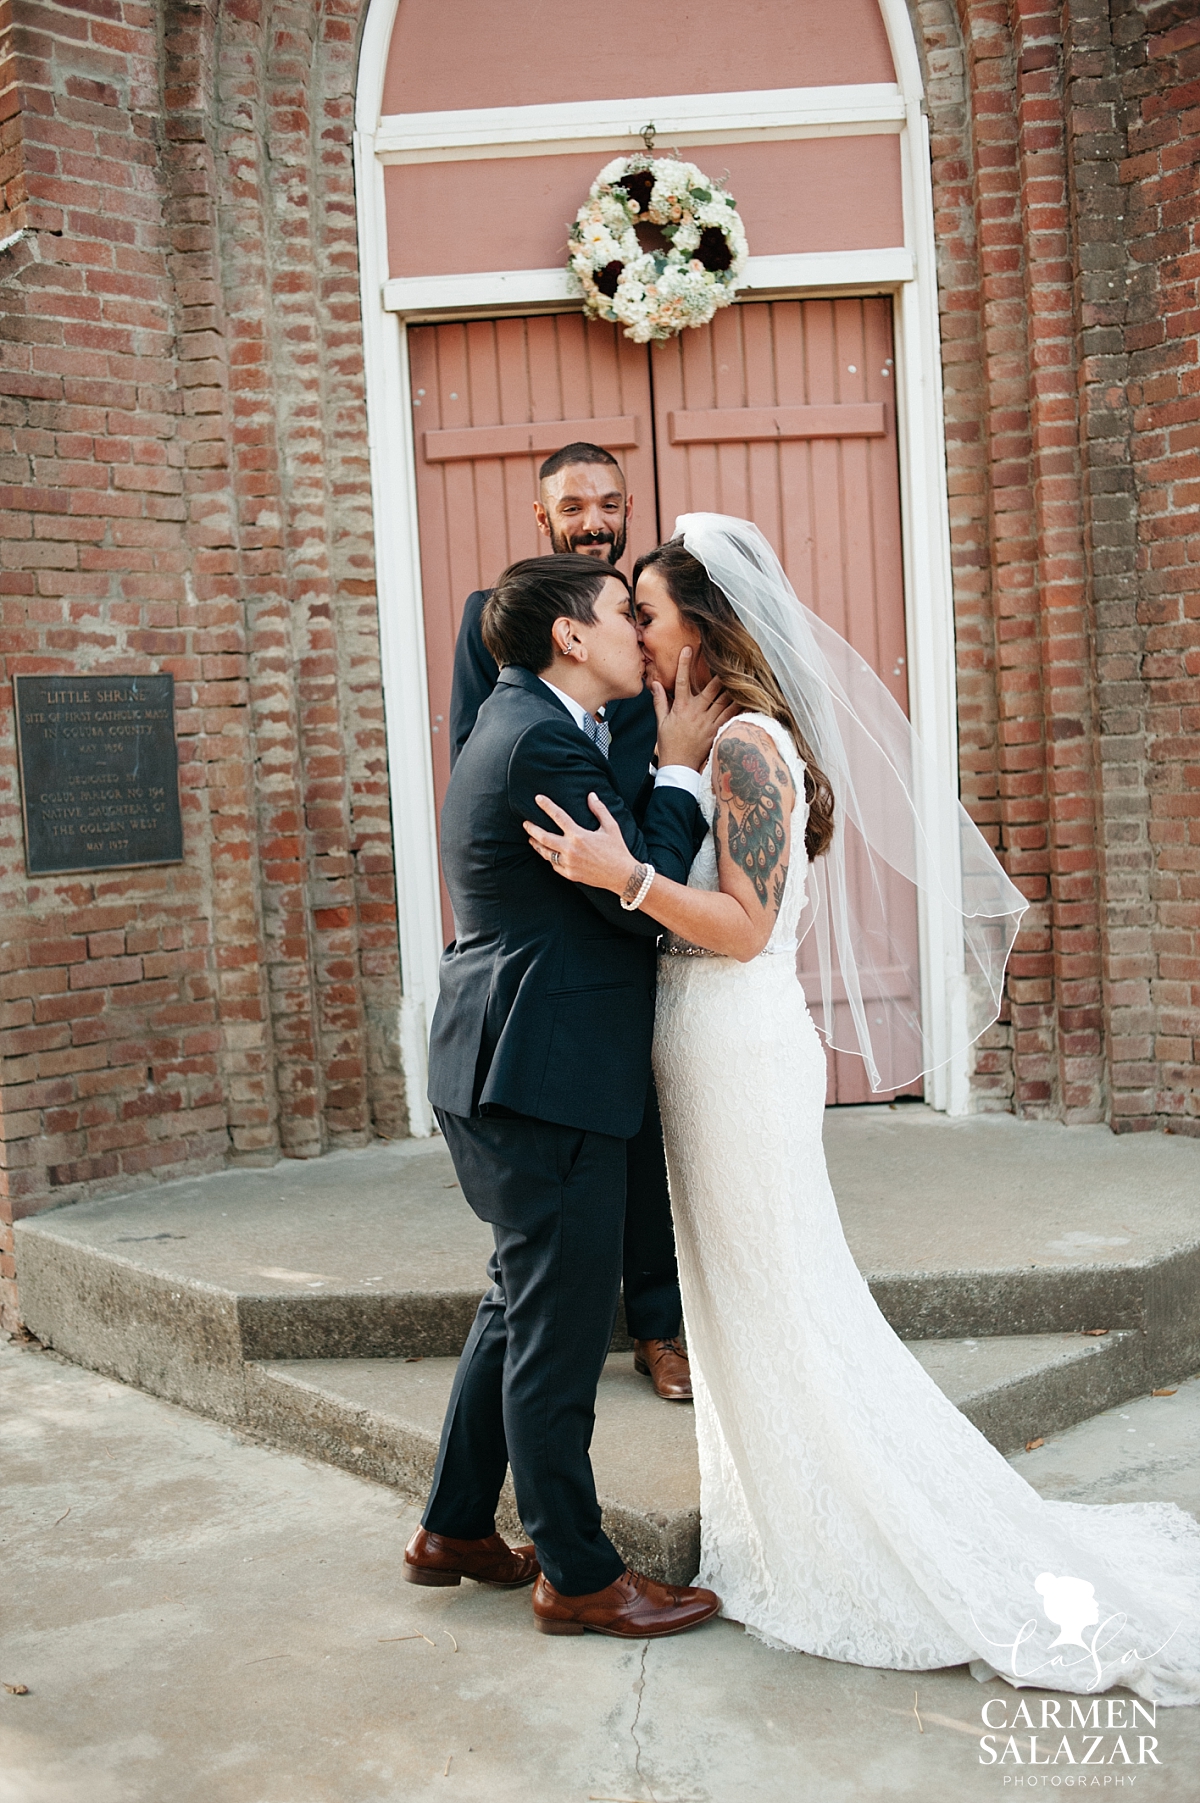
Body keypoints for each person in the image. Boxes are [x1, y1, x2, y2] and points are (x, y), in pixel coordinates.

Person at [524, 515, 1200, 1705]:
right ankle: (780, 1523)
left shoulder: (744, 747)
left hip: (735, 1046)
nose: (636, 626)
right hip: (705, 1045)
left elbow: (737, 927)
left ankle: (860, 1537)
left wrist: (621, 875)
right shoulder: (710, 738)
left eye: (652, 611)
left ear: (704, 627)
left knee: (780, 1294)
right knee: (741, 1297)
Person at [403, 551, 730, 1639]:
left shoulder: (531, 724)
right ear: (569, 639)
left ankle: (453, 1526)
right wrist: (680, 773)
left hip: (509, 1062)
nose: (641, 634)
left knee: (517, 1302)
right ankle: (580, 1577)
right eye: (616, 617)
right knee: (557, 1328)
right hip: (544, 1078)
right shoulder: (540, 737)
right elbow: (643, 899)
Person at [448, 440, 695, 1403]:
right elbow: (488, 759)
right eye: (572, 505)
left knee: (644, 1131)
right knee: (579, 1147)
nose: (593, 518)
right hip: (580, 886)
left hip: (647, 880)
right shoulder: (501, 626)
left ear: (629, 507)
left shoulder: (654, 608)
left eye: (607, 502)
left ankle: (662, 1321)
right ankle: (576, 1333)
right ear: (542, 518)